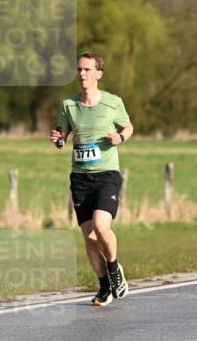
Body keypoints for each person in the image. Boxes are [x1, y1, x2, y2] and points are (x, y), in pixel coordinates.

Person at [50, 52, 134, 306]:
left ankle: (114, 268)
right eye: (79, 70)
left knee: (101, 225)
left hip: (106, 174)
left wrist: (121, 138)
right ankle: (104, 285)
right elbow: (61, 135)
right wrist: (59, 140)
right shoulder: (68, 105)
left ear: (99, 74)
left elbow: (128, 127)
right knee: (88, 237)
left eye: (87, 69)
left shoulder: (113, 102)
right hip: (80, 178)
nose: (82, 74)